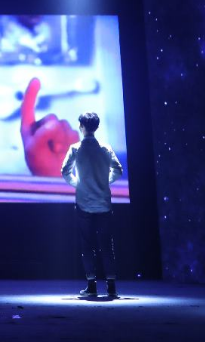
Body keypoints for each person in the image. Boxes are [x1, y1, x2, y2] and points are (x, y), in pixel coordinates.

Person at [61, 111, 124, 300]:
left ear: (81, 126)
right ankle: (111, 287)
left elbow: (65, 171)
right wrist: (104, 182)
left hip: (84, 203)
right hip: (103, 203)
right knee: (106, 244)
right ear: (96, 127)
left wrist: (79, 185)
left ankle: (92, 286)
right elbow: (118, 170)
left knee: (87, 245)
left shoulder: (75, 149)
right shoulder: (105, 148)